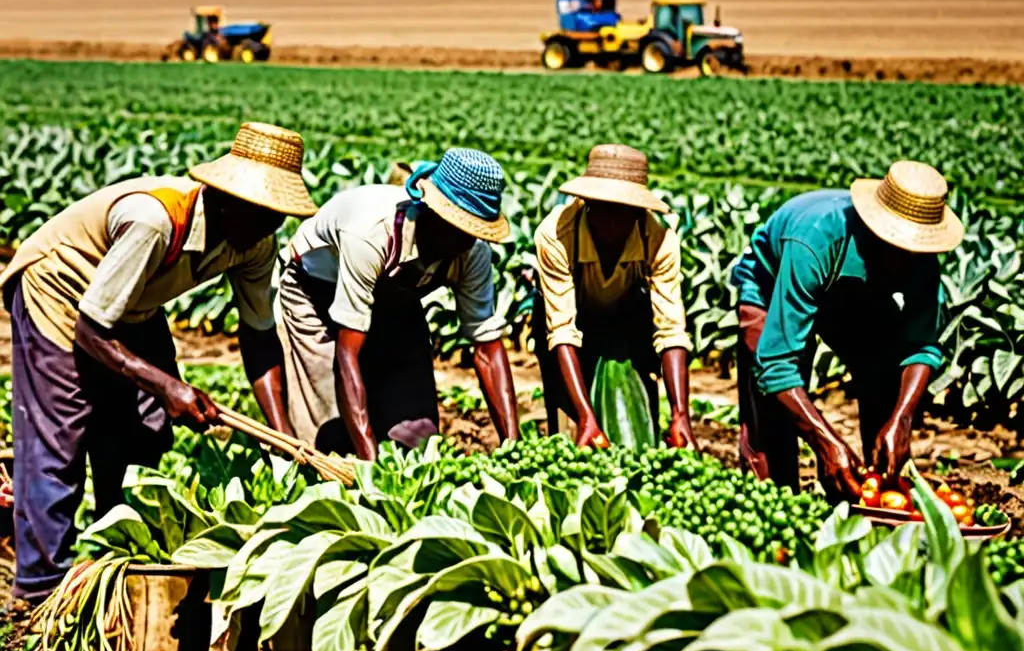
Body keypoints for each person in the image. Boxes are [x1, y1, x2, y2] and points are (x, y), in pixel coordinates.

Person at [0, 122, 317, 602]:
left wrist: (284, 436)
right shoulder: (156, 220)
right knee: (60, 438)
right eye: (263, 213)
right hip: (61, 290)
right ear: (227, 198)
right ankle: (44, 585)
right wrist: (169, 387)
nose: (271, 226)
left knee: (144, 429)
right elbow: (91, 329)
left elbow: (258, 336)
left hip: (133, 303)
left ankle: (116, 548)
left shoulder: (254, 240)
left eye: (278, 215)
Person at [731, 161, 963, 501]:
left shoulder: (920, 259)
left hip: (853, 292)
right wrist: (826, 442)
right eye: (898, 246)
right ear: (876, 229)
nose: (907, 260)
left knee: (885, 388)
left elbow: (921, 345)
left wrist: (901, 420)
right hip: (772, 282)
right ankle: (772, 503)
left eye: (915, 251)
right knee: (773, 411)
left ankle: (874, 496)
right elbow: (776, 362)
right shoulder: (816, 238)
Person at [275, 148, 519, 460]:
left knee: (416, 434)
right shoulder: (371, 233)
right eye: (458, 228)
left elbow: (487, 348)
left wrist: (513, 448)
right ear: (432, 212)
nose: (465, 241)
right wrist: (370, 468)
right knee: (329, 434)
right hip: (316, 291)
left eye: (473, 232)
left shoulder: (472, 253)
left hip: (395, 299)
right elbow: (346, 356)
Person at [532, 144, 696, 450]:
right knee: (568, 417)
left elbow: (671, 329)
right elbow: (562, 330)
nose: (611, 223)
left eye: (622, 212)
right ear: (587, 204)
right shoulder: (556, 234)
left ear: (638, 212)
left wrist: (681, 414)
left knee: (639, 399)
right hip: (569, 320)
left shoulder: (658, 240)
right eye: (603, 209)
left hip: (625, 318)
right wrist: (584, 416)